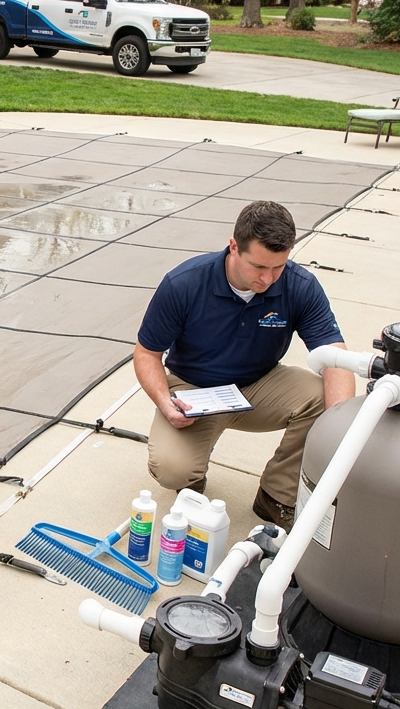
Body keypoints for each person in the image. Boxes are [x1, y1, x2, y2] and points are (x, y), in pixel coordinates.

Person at [134, 201, 354, 531]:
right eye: (258, 267)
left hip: (258, 385)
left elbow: (336, 358)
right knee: (172, 469)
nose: (268, 278)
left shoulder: (299, 286)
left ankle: (276, 494)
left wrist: (340, 431)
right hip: (194, 392)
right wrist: (165, 402)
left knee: (327, 399)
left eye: (278, 267)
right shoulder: (184, 283)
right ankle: (191, 478)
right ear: (233, 246)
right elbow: (147, 354)